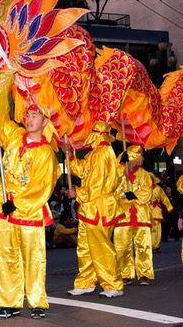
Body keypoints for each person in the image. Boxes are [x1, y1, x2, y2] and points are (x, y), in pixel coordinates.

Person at [0, 104, 61, 319]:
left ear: (44, 121)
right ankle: (9, 302)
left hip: (29, 211)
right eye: (27, 115)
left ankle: (37, 301)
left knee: (33, 257)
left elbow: (42, 187)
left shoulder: (46, 153)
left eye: (35, 115)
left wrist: (17, 204)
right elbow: (1, 120)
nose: (30, 119)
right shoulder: (15, 136)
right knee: (5, 257)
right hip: (5, 208)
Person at [64, 121, 123, 298]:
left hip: (99, 208)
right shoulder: (95, 153)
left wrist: (78, 193)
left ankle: (112, 284)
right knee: (85, 247)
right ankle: (85, 282)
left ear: (98, 134)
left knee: (101, 247)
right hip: (90, 208)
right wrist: (70, 155)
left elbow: (96, 184)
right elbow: (82, 170)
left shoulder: (103, 152)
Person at [114, 145, 154, 285]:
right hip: (122, 215)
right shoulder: (119, 173)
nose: (142, 158)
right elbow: (112, 189)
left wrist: (132, 195)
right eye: (139, 155)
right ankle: (125, 274)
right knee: (122, 247)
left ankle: (144, 274)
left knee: (143, 246)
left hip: (141, 215)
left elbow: (147, 193)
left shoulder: (144, 174)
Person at [149, 174, 174, 252]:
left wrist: (169, 207)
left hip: (156, 210)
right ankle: (149, 245)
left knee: (156, 229)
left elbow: (164, 198)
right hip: (146, 211)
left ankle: (155, 245)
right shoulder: (143, 188)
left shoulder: (158, 189)